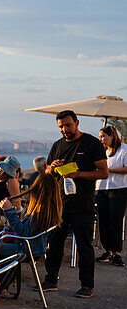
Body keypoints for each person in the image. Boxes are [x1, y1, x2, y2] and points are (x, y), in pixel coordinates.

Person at [42, 110, 109, 298]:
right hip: (60, 204)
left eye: (68, 125)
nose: (65, 129)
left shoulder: (91, 143)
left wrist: (78, 174)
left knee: (84, 246)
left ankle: (87, 285)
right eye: (61, 126)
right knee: (54, 243)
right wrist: (51, 168)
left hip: (83, 205)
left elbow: (104, 172)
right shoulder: (57, 145)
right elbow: (47, 174)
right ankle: (50, 279)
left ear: (77, 123)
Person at [0, 173, 62, 297]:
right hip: (34, 249)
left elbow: (23, 232)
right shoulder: (50, 209)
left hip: (23, 248)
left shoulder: (40, 212)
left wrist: (9, 210)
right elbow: (28, 231)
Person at [95, 125, 127, 267]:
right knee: (103, 221)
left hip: (118, 189)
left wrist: (109, 170)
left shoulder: (123, 149)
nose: (101, 139)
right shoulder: (101, 151)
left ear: (112, 136)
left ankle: (117, 253)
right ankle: (108, 251)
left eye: (104, 136)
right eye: (100, 136)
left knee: (115, 221)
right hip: (101, 189)